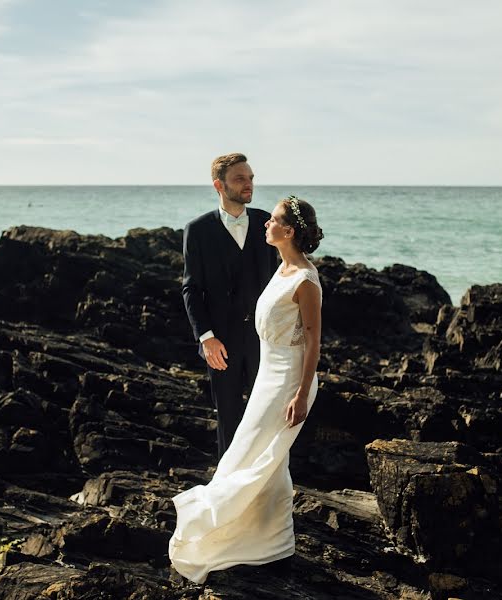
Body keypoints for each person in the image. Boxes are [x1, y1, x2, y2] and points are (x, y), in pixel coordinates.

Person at [169, 196, 325, 584]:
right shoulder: (283, 267)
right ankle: (271, 542)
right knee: (261, 458)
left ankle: (250, 538)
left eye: (272, 221)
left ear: (288, 232)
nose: (264, 225)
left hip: (288, 382)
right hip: (267, 378)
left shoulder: (305, 280)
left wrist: (301, 393)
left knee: (258, 457)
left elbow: (313, 343)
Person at [182, 153, 281, 458]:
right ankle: (228, 486)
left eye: (250, 178)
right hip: (219, 343)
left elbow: (279, 282)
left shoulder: (269, 225)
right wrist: (206, 337)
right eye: (240, 179)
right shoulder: (197, 230)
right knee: (228, 417)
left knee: (264, 416)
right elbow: (191, 289)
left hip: (262, 340)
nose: (248, 184)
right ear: (219, 185)